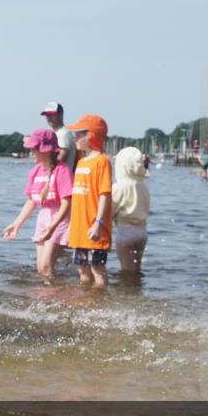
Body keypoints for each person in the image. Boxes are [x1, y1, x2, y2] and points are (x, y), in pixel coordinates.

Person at [2, 129, 73, 279]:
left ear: (45, 150)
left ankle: (55, 297)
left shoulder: (62, 171)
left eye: (34, 149)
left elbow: (67, 202)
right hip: (43, 219)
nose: (30, 153)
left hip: (60, 220)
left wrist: (53, 227)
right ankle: (47, 295)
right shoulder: (36, 171)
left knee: (47, 265)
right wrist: (16, 224)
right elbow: (32, 201)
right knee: (41, 268)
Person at [66, 114, 112, 287]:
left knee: (97, 268)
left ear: (90, 135)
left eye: (78, 134)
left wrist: (99, 222)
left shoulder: (102, 162)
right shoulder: (82, 162)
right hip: (79, 228)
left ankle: (100, 303)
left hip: (94, 227)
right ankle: (85, 303)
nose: (74, 137)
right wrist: (72, 223)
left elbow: (104, 194)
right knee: (82, 270)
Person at [112, 146, 150, 275]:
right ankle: (137, 291)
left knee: (127, 270)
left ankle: (128, 293)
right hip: (142, 233)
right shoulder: (143, 186)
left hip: (125, 232)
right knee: (136, 268)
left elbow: (110, 210)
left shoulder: (120, 187)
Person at [41, 102, 77, 175]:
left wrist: (47, 173)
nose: (49, 118)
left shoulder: (63, 134)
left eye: (52, 115)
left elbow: (61, 157)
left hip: (62, 177)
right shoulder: (58, 133)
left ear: (61, 115)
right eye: (47, 115)